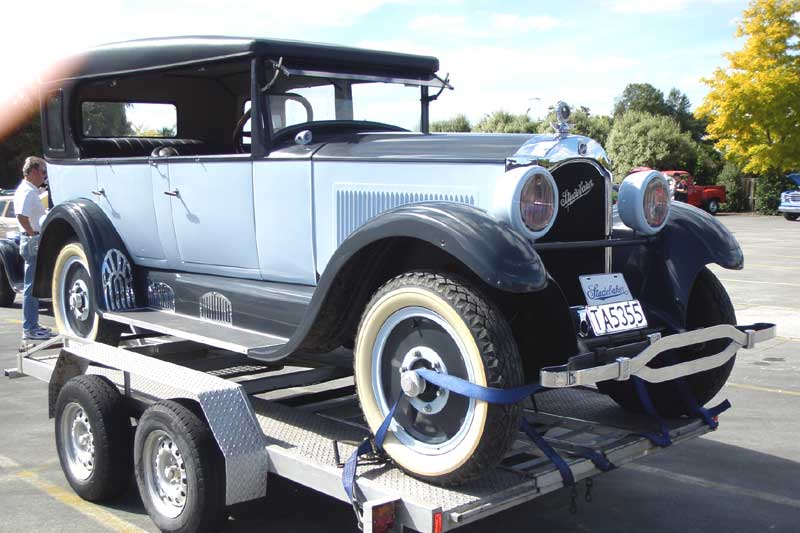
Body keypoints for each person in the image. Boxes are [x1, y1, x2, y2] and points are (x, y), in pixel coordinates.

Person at [14, 156, 52, 340]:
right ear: (34, 171)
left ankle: (32, 325)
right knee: (31, 287)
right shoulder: (28, 192)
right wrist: (32, 234)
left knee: (33, 286)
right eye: (43, 172)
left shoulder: (28, 190)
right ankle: (29, 328)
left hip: (29, 239)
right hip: (31, 240)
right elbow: (22, 216)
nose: (45, 176)